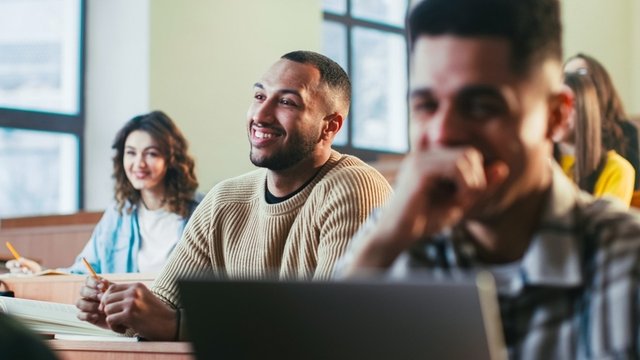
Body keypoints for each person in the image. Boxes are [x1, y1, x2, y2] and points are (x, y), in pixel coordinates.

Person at [338, 0, 640, 358]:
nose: (444, 133)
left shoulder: (625, 261)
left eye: (481, 106)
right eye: (426, 106)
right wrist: (381, 249)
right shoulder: (391, 242)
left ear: (556, 116)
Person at [76, 51, 393, 340]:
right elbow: (164, 305)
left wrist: (176, 326)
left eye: (287, 102)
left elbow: (330, 327)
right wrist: (121, 313)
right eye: (259, 96)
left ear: (330, 126)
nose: (262, 115)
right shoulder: (224, 200)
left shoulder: (355, 187)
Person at [7, 111, 200, 275]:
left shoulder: (200, 214)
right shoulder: (118, 214)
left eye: (151, 153)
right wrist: (39, 272)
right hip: (123, 316)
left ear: (172, 159)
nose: (139, 164)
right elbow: (84, 272)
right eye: (131, 153)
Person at [555, 72, 635, 206]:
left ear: (587, 111)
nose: (559, 112)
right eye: (554, 103)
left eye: (570, 104)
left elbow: (604, 225)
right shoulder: (536, 164)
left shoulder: (617, 170)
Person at [564, 53, 640, 190]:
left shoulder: (626, 131)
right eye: (565, 75)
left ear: (600, 83)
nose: (572, 80)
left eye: (581, 73)